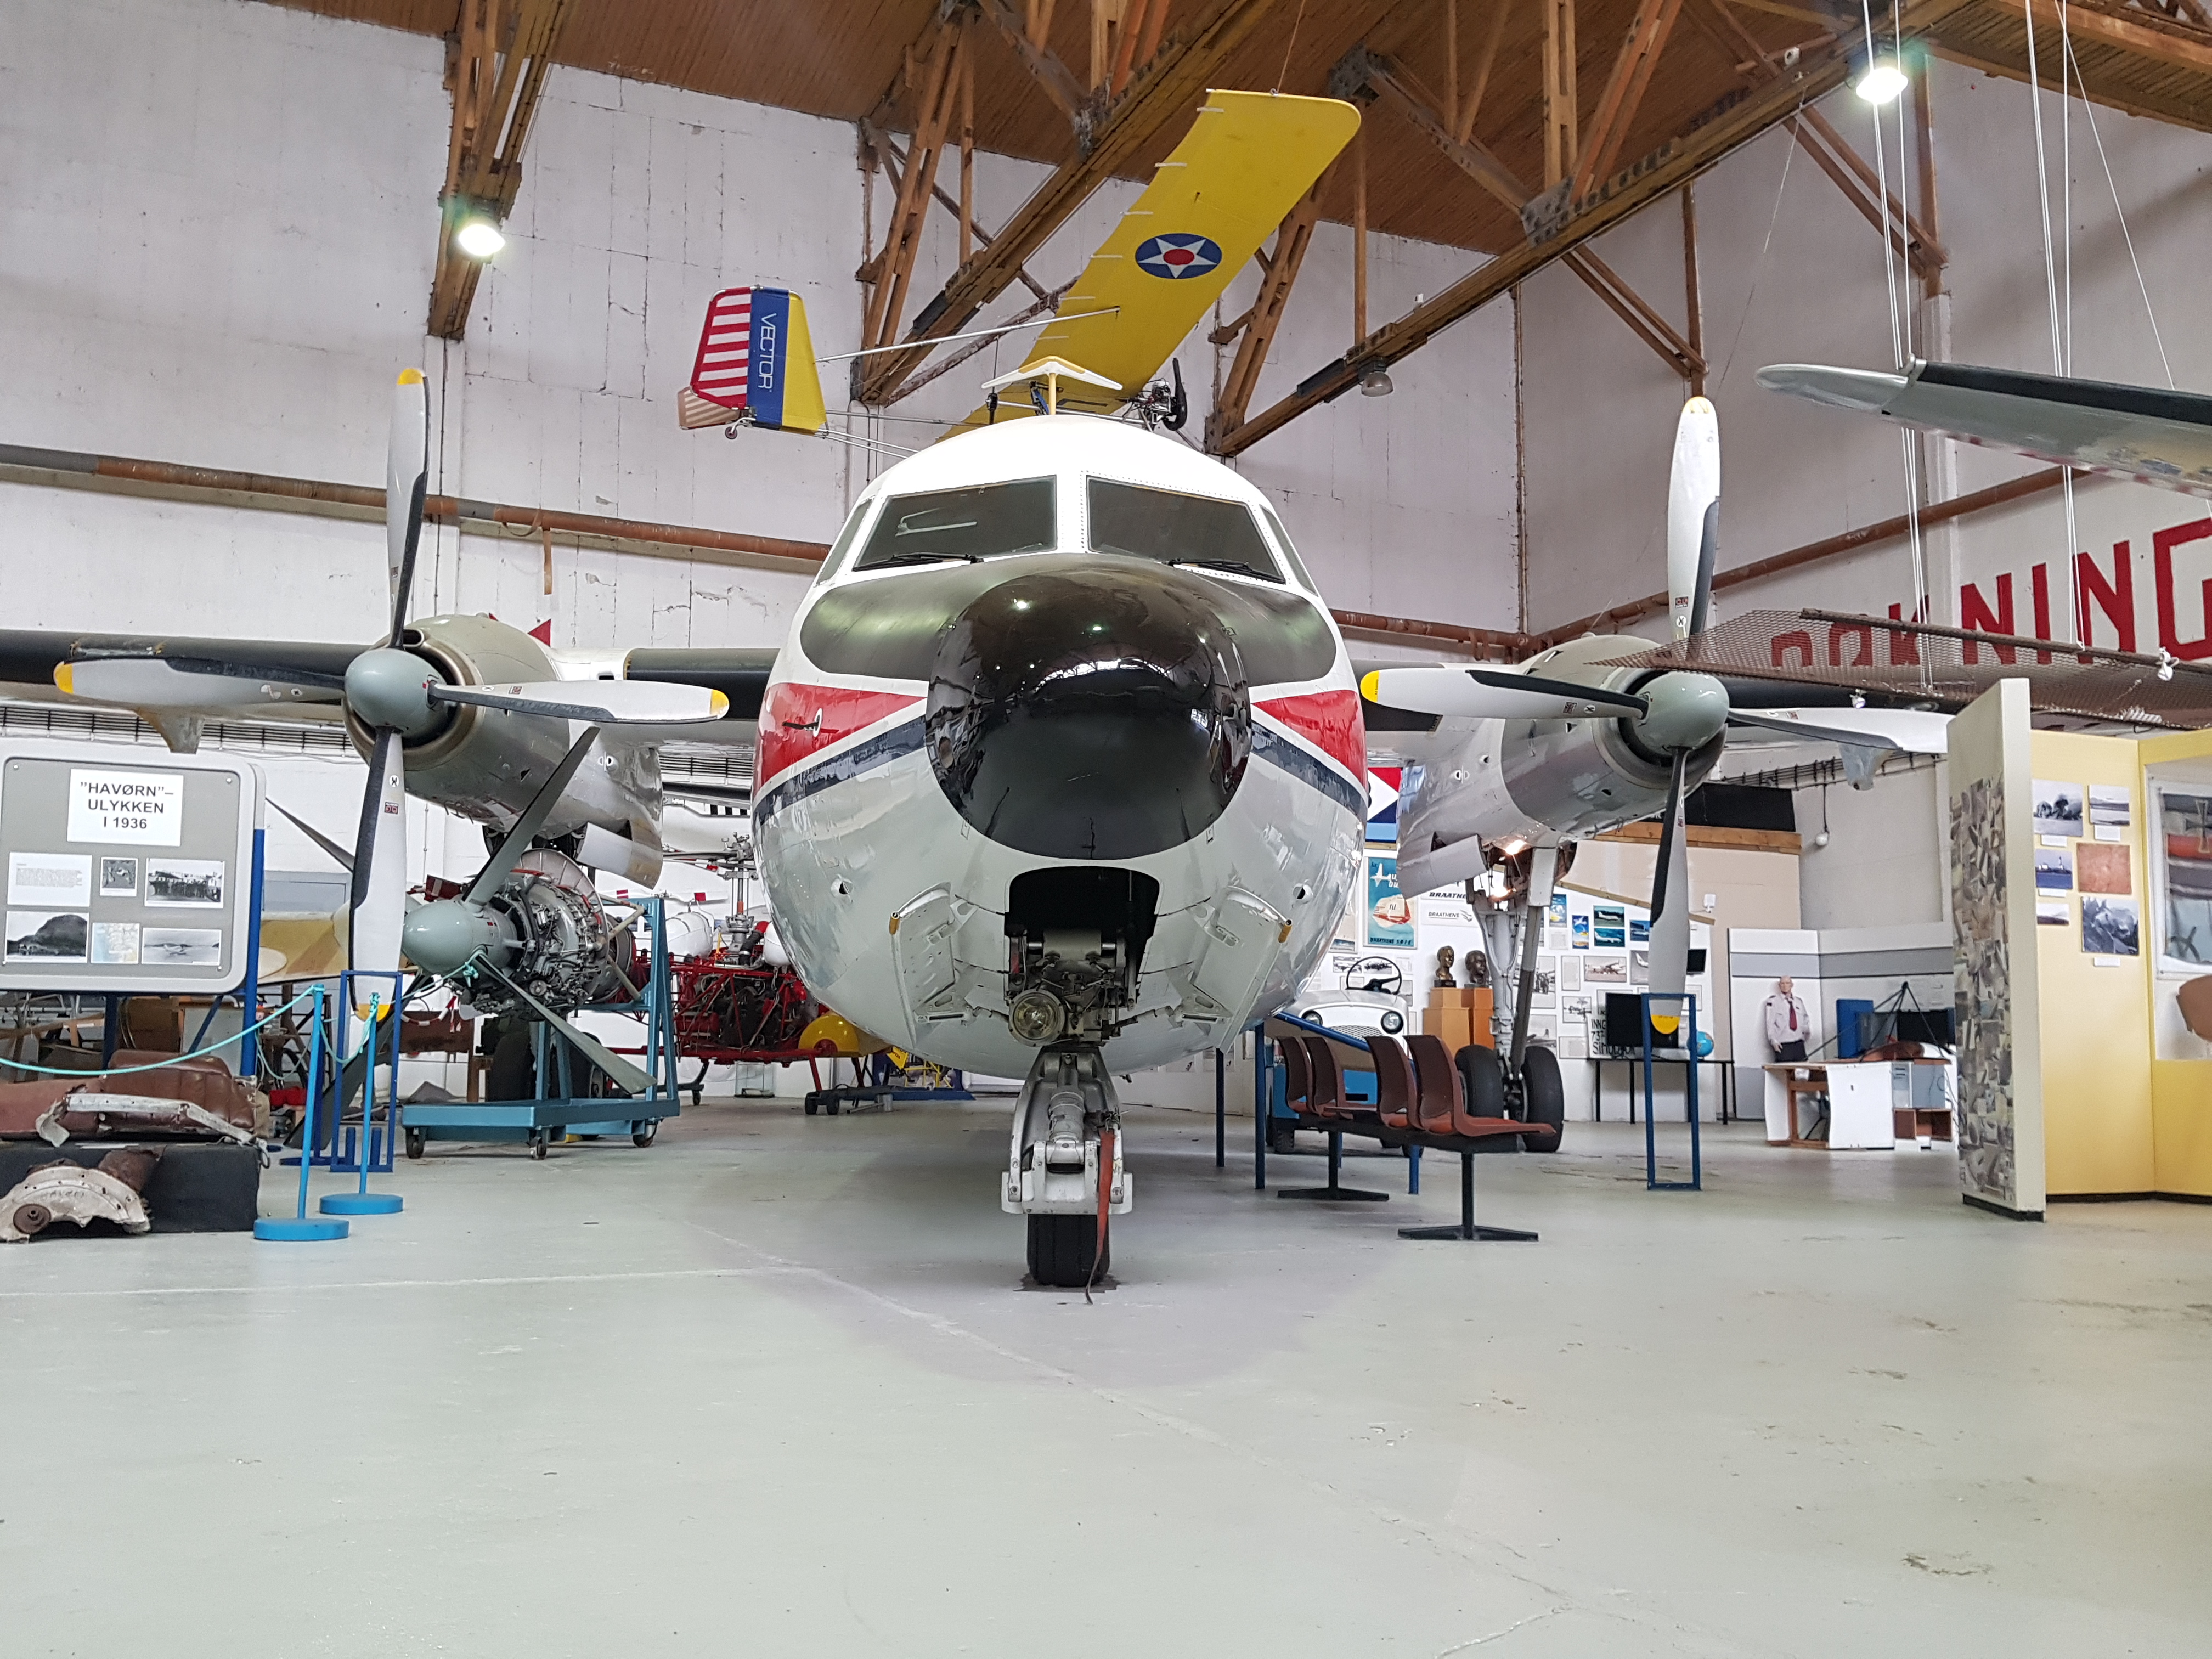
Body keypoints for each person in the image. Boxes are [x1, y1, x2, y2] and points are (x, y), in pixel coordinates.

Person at [1764, 976, 1810, 1062]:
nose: (1785, 986)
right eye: (1782, 983)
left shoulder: (1798, 1001)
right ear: (1779, 985)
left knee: (1802, 1068)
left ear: (1792, 985)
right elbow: (1770, 1023)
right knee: (1785, 1069)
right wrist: (1773, 1040)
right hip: (1784, 1044)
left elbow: (1805, 1019)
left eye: (1787, 983)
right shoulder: (1773, 1002)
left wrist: (1806, 1034)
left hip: (1799, 1043)